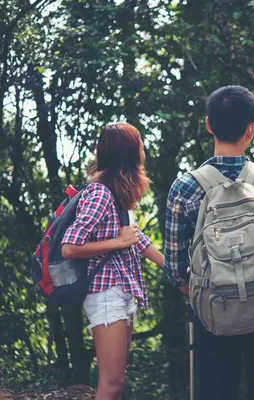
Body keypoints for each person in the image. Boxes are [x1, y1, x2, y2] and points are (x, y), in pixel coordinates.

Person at [163, 85, 254, 400]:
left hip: (214, 319)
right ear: (251, 129)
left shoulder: (185, 188)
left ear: (208, 125)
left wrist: (214, 293)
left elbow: (175, 270)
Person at [61, 122, 164, 400]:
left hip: (120, 292)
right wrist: (119, 242)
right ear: (129, 153)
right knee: (111, 384)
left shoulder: (118, 194)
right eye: (140, 145)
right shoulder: (100, 193)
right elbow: (69, 247)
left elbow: (136, 238)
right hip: (105, 294)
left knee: (117, 382)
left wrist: (174, 268)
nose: (144, 150)